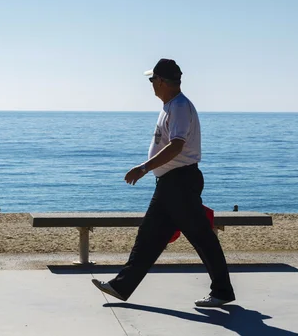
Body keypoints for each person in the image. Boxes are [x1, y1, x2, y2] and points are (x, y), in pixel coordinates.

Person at [92, 59, 235, 308]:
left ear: (161, 81)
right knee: (150, 237)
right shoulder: (170, 106)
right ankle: (121, 286)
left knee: (201, 237)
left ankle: (222, 290)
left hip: (179, 182)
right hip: (171, 182)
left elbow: (177, 145)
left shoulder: (179, 107)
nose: (151, 85)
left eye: (152, 80)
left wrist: (144, 167)